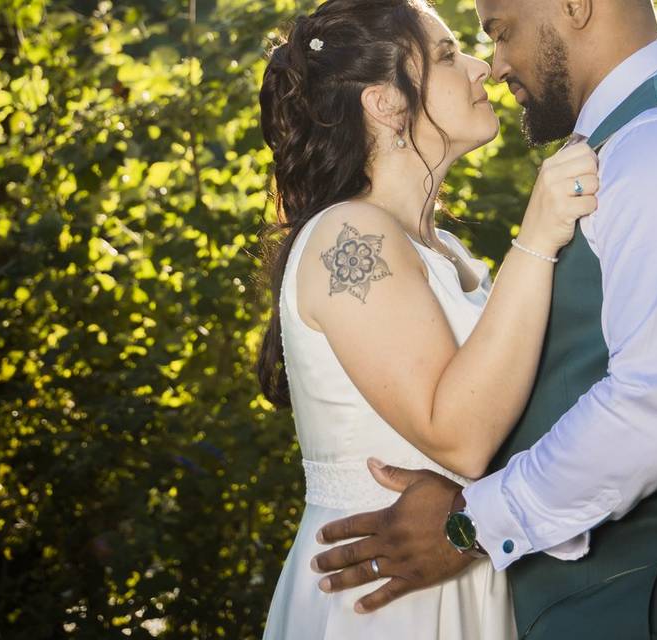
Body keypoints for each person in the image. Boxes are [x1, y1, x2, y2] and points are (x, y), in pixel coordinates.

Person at [310, 1, 657, 638]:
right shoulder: (616, 149)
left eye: (501, 33)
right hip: (609, 595)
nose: (494, 66)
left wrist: (471, 524)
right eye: (457, 51)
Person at [255, 0, 600, 637]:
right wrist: (539, 234)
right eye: (446, 55)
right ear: (385, 102)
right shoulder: (347, 237)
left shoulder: (448, 252)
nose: (482, 70)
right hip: (388, 601)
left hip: (462, 572)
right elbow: (461, 438)